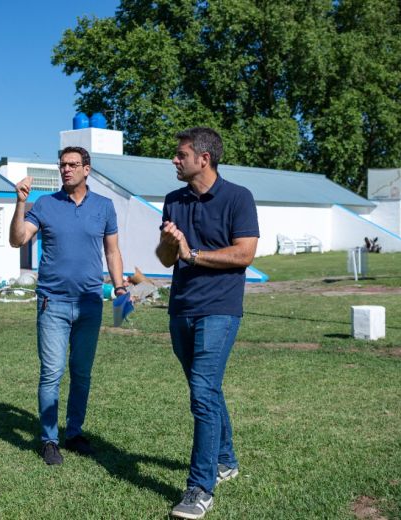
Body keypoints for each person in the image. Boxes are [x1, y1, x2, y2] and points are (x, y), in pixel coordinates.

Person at [155, 128, 259, 519]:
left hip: (220, 308)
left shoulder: (238, 198)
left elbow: (245, 254)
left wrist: (193, 254)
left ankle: (200, 488)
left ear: (204, 158)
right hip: (181, 308)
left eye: (181, 155)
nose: (174, 160)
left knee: (202, 391)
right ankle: (226, 459)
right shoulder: (173, 200)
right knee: (206, 389)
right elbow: (167, 259)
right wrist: (170, 242)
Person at [10, 146, 126, 465]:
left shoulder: (104, 206)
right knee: (51, 372)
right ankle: (49, 440)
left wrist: (118, 285)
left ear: (87, 169)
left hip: (90, 303)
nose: (66, 170)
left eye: (73, 165)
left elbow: (112, 252)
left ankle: (74, 432)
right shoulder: (45, 205)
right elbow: (18, 239)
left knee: (82, 373)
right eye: (62, 165)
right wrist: (20, 203)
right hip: (53, 303)